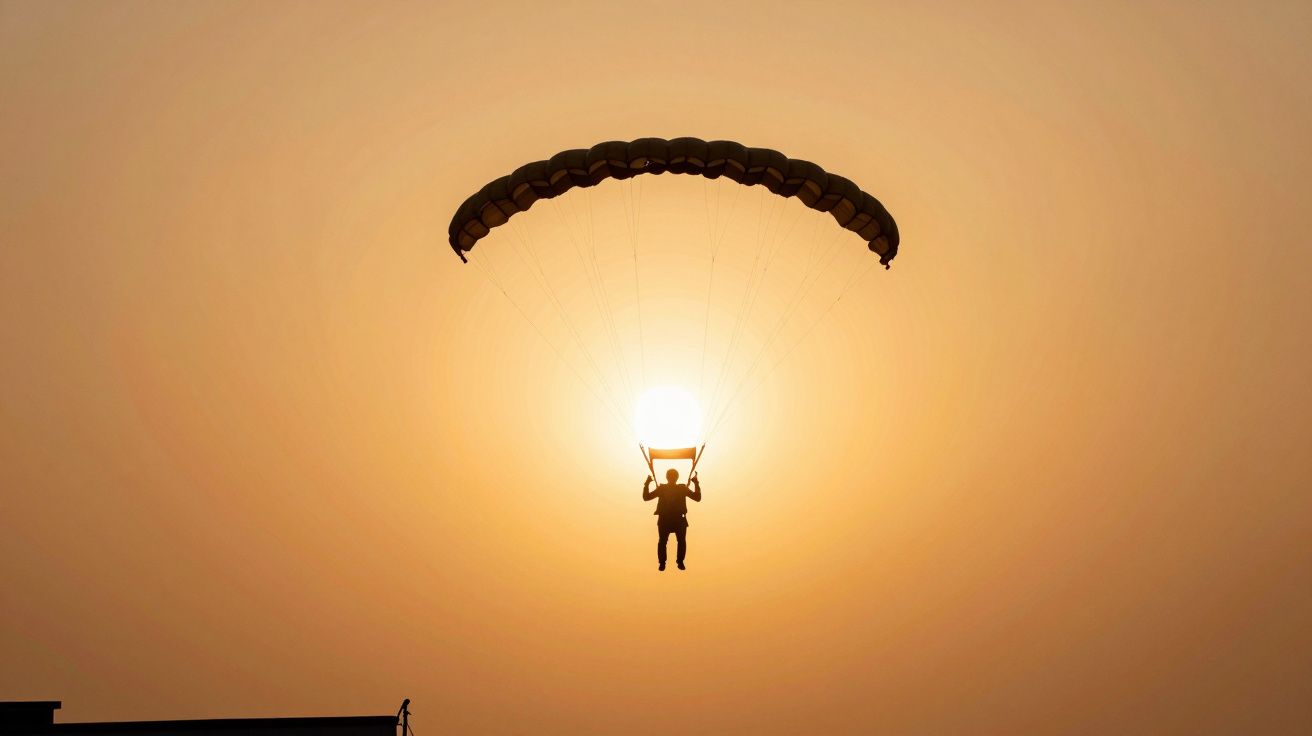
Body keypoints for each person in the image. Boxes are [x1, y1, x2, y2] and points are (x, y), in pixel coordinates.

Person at [643, 468, 702, 571]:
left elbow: (646, 497)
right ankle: (676, 562)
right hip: (673, 519)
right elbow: (697, 497)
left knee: (665, 542)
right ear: (677, 477)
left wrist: (647, 484)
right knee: (677, 541)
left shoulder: (668, 489)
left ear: (667, 477)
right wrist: (696, 483)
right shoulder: (679, 489)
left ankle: (666, 563)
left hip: (671, 519)